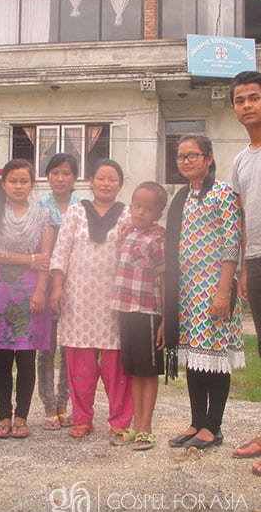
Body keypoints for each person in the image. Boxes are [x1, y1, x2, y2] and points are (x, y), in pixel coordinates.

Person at [165, 134, 244, 450]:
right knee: (195, 360)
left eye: (192, 155)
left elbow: (231, 242)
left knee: (215, 357)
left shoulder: (223, 193)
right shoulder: (182, 196)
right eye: (181, 156)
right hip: (187, 292)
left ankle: (214, 427)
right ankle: (196, 422)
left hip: (214, 289)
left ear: (208, 159)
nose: (185, 161)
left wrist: (224, 291)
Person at [50, 159, 133, 440]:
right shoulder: (75, 212)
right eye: (101, 178)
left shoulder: (128, 215)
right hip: (78, 299)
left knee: (115, 366)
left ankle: (120, 422)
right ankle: (82, 418)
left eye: (112, 179)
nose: (106, 183)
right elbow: (61, 252)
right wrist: (57, 288)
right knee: (80, 364)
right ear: (91, 182)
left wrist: (132, 229)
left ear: (120, 184)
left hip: (114, 301)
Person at [0, 159, 54, 439]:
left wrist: (41, 290)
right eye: (13, 181)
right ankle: (3, 416)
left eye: (24, 181)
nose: (18, 186)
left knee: (26, 355)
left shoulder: (44, 216)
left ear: (32, 184)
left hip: (31, 291)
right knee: (2, 357)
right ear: (3, 183)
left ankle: (21, 416)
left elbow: (46, 260)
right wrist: (31, 259)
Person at [110, 181, 167, 451]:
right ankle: (135, 424)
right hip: (126, 310)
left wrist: (167, 319)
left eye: (148, 208)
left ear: (158, 213)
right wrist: (126, 227)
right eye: (137, 205)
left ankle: (147, 427)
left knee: (148, 371)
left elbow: (165, 278)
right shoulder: (128, 232)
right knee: (133, 371)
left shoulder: (158, 239)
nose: (140, 212)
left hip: (147, 312)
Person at [229, 70, 261, 475]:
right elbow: (240, 218)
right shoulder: (240, 160)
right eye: (241, 100)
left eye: (254, 97)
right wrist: (241, 270)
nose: (248, 105)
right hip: (254, 259)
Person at [37, 153, 79, 430]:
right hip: (45, 282)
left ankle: (64, 401)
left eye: (66, 173)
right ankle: (49, 404)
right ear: (48, 177)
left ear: (75, 177)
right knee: (46, 348)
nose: (60, 178)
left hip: (76, 285)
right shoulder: (40, 207)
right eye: (55, 173)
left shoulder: (83, 207)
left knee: (69, 348)